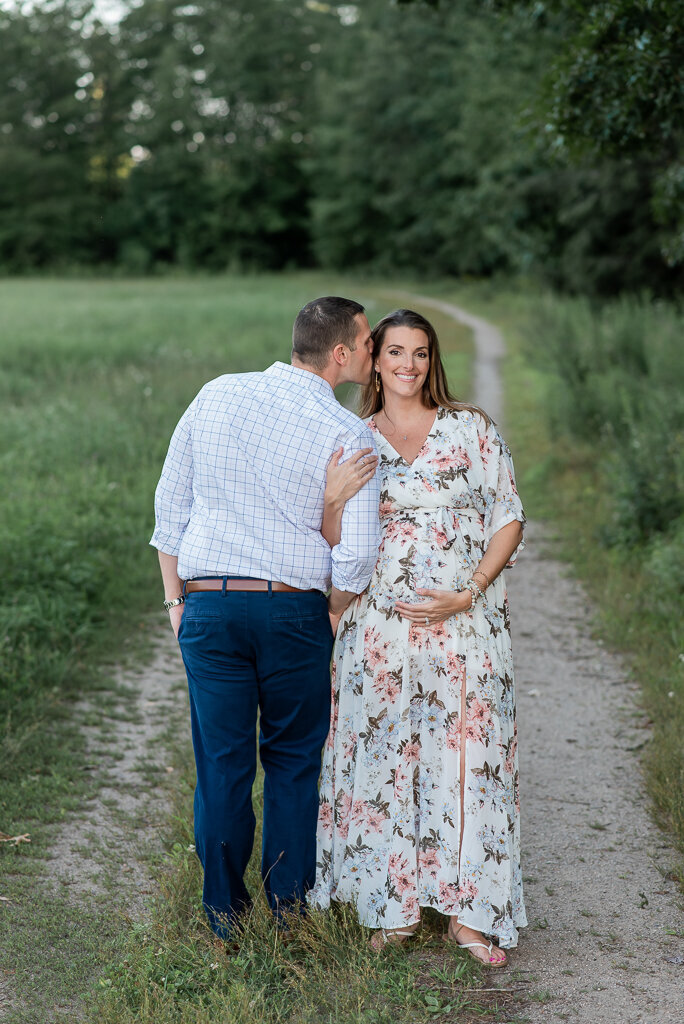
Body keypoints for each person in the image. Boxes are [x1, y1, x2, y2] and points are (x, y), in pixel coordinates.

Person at [150, 296, 382, 939]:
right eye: (366, 343)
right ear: (340, 354)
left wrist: (176, 600)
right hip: (291, 610)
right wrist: (332, 609)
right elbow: (358, 556)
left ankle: (223, 914)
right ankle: (287, 910)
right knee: (291, 763)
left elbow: (170, 510)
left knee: (222, 765)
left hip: (209, 605)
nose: (372, 353)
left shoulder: (216, 394)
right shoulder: (349, 434)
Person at [309, 309, 527, 966]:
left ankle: (470, 916)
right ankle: (391, 908)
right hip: (378, 634)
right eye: (396, 352)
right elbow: (325, 544)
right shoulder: (351, 438)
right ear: (372, 360)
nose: (408, 365)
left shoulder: (472, 432)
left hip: (467, 628)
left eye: (421, 353)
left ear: (433, 362)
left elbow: (509, 518)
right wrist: (328, 505)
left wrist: (472, 588)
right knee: (385, 765)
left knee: (471, 766)